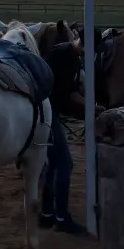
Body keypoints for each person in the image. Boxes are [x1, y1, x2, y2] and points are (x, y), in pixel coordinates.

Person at [38, 40, 89, 236]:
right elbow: (72, 94)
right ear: (79, 41)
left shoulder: (64, 52)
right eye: (85, 47)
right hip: (48, 113)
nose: (85, 52)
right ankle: (61, 218)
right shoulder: (66, 57)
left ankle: (46, 213)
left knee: (52, 164)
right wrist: (90, 106)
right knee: (65, 163)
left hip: (47, 112)